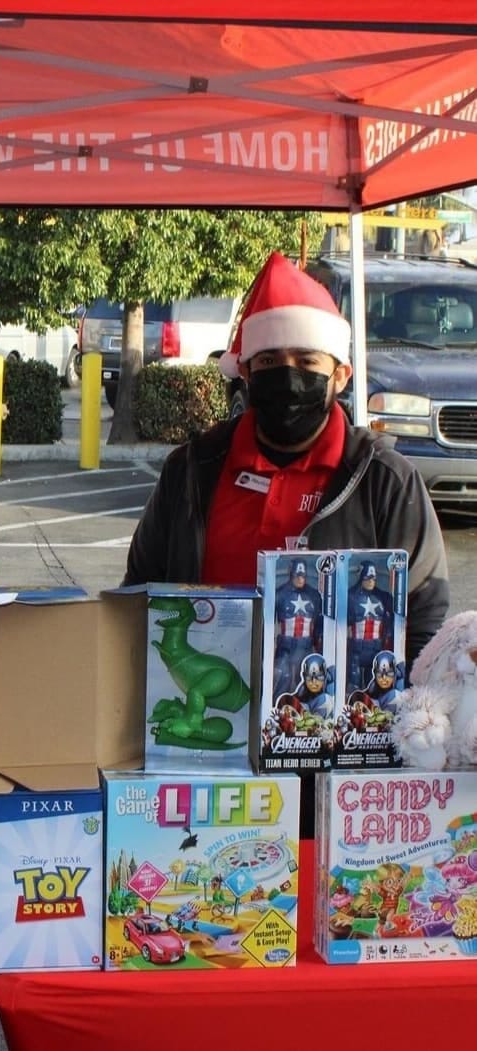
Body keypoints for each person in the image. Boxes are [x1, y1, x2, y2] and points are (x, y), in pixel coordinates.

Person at [123, 251, 450, 833]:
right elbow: (136, 598)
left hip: (340, 779)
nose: (288, 376)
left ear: (340, 374)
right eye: (270, 361)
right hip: (206, 764)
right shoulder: (193, 470)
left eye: (306, 361)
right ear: (246, 372)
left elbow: (424, 623)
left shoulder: (384, 480)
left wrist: (388, 737)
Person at [271, 559, 324, 699]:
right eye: (297, 576)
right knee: (284, 675)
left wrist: (319, 643)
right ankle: (279, 704)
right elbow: (269, 621)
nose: (300, 579)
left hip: (306, 645)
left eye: (303, 576)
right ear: (291, 574)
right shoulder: (280, 594)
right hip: (285, 645)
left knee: (307, 679)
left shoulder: (313, 595)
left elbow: (319, 621)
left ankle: (306, 705)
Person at [345, 560, 396, 690]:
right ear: (361, 577)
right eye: (367, 578)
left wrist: (388, 639)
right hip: (355, 649)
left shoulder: (383, 597)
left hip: (375, 648)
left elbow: (392, 619)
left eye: (373, 578)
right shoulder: (350, 596)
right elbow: (341, 623)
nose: (371, 581)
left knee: (372, 684)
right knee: (353, 683)